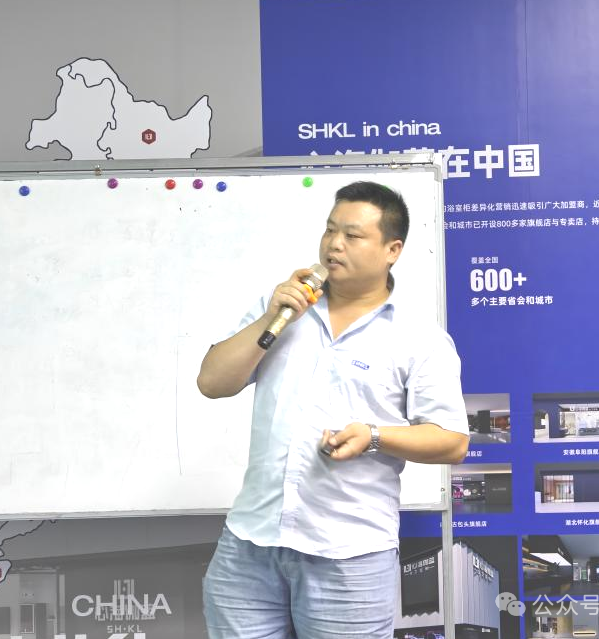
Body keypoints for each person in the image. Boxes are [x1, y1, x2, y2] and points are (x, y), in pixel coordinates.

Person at [197, 181, 469, 639]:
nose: (334, 244)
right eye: (329, 230)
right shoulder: (282, 310)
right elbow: (212, 382)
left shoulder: (419, 339)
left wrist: (374, 435)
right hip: (249, 543)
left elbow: (452, 440)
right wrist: (271, 316)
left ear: (392, 250)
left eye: (352, 235)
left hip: (349, 555)